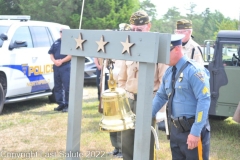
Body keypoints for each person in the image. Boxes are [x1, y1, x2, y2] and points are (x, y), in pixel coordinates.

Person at [118, 10, 168, 160]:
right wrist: (121, 100)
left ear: (148, 26)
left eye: (139, 30)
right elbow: (122, 79)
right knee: (126, 138)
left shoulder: (158, 48)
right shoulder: (128, 47)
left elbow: (163, 82)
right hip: (129, 99)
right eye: (133, 29)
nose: (135, 32)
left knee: (145, 140)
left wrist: (160, 108)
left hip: (148, 101)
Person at [152, 34, 211, 160]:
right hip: (176, 132)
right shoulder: (169, 72)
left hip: (192, 130)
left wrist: (195, 132)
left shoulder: (194, 71)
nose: (162, 57)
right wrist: (147, 115)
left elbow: (204, 100)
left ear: (177, 49)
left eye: (165, 52)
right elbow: (161, 96)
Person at [48, 28, 71, 112]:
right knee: (57, 86)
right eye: (61, 32)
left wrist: (61, 61)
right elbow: (51, 53)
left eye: (64, 32)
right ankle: (61, 104)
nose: (62, 33)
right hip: (57, 66)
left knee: (67, 87)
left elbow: (71, 55)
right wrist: (54, 61)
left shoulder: (69, 42)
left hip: (66, 66)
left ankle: (68, 105)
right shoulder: (56, 42)